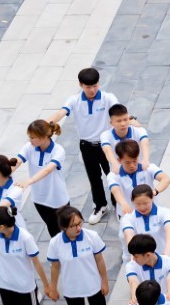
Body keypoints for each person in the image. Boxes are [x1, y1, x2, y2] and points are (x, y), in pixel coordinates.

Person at [48, 67, 121, 218]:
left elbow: (120, 112)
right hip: (86, 146)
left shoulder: (108, 98)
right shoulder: (74, 100)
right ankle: (101, 205)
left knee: (114, 175)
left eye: (95, 85)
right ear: (80, 85)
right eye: (88, 87)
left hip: (107, 145)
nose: (92, 90)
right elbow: (61, 112)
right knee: (94, 178)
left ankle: (118, 204)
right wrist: (46, 124)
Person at [45, 206, 110, 305]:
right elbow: (55, 267)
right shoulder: (55, 243)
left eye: (80, 223)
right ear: (63, 227)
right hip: (71, 287)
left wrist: (104, 281)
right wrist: (53, 288)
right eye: (73, 225)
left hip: (93, 283)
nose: (78, 228)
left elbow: (99, 260)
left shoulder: (91, 236)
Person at [14, 120, 70, 243]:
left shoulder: (58, 150)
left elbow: (47, 170)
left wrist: (28, 182)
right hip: (39, 199)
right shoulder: (29, 147)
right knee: (52, 228)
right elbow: (17, 161)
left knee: (67, 229)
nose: (30, 140)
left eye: (32, 137)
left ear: (43, 137)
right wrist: (6, 169)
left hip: (57, 198)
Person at [107, 140, 170, 218]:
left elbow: (166, 179)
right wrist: (123, 203)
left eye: (134, 161)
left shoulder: (148, 168)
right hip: (129, 214)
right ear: (119, 160)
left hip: (151, 211)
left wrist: (153, 192)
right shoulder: (113, 175)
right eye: (127, 162)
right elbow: (115, 190)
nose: (132, 165)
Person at [119, 186, 170, 258]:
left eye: (145, 203)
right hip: (139, 258)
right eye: (138, 204)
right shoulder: (128, 218)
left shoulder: (164, 212)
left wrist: (168, 248)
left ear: (152, 198)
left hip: (162, 256)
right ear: (132, 201)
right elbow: (129, 234)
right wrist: (134, 254)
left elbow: (169, 228)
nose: (142, 207)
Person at [124, 233, 170, 304]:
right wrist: (134, 297)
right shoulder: (131, 265)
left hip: (165, 303)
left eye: (136, 256)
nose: (133, 259)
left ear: (148, 255)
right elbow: (133, 281)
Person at [98, 102, 151, 176]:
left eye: (125, 120)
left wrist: (145, 159)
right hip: (119, 171)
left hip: (140, 169)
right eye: (118, 121)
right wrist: (114, 164)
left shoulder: (139, 131)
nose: (123, 124)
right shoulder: (106, 135)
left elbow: (145, 143)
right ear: (111, 123)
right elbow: (107, 150)